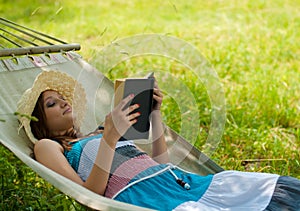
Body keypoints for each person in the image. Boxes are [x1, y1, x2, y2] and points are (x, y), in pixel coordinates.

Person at [17, 70, 300, 211]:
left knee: (264, 190)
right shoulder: (49, 147)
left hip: (180, 181)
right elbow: (88, 193)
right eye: (52, 104)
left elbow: (161, 165)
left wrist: (154, 115)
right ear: (41, 121)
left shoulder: (101, 132)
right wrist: (111, 139)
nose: (63, 102)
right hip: (146, 197)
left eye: (62, 98)